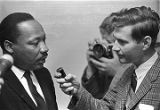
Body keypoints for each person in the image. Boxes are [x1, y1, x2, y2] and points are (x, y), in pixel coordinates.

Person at [55, 6, 160, 110]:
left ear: (145, 43)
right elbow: (106, 108)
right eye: (114, 41)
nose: (114, 47)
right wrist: (78, 91)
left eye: (122, 42)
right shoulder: (127, 72)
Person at [0, 12, 58, 110]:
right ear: (9, 46)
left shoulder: (44, 74)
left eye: (44, 40)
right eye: (35, 43)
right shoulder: (2, 81)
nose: (45, 48)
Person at [81, 13, 131, 99]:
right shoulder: (107, 60)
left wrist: (117, 72)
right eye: (103, 41)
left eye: (109, 42)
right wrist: (91, 67)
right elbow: (91, 100)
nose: (106, 46)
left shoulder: (135, 61)